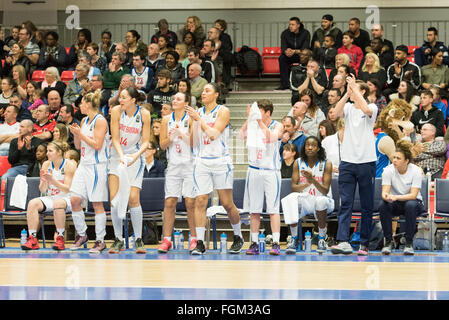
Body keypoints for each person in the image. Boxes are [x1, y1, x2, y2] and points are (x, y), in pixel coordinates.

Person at [186, 83, 244, 255]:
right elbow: (192, 143)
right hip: (202, 161)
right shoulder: (198, 113)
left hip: (220, 161)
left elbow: (213, 134)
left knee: (227, 203)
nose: (203, 93)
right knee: (201, 201)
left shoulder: (223, 111)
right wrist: (192, 125)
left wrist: (198, 120)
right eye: (202, 91)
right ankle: (200, 243)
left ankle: (238, 236)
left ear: (216, 94)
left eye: (207, 91)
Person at [330, 76, 378, 256]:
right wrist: (346, 93)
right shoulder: (348, 108)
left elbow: (365, 108)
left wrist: (355, 90)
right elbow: (334, 113)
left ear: (363, 91)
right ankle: (343, 241)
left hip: (366, 161)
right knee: (346, 203)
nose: (351, 91)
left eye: (356, 89)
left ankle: (364, 244)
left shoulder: (372, 107)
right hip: (348, 162)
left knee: (366, 205)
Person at [108, 86, 151, 254]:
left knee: (133, 198)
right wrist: (120, 156)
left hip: (135, 158)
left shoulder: (144, 114)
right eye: (120, 97)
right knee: (115, 200)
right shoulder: (117, 111)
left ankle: (138, 239)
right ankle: (118, 239)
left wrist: (135, 156)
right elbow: (116, 139)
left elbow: (146, 141)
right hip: (117, 156)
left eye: (124, 97)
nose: (121, 100)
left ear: (133, 100)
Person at [238, 99, 284, 255]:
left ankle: (276, 243)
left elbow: (271, 137)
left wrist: (258, 120)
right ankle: (254, 242)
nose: (256, 115)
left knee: (273, 209)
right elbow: (240, 135)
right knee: (254, 210)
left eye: (259, 112)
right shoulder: (253, 125)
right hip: (254, 170)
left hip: (271, 171)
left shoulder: (278, 125)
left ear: (268, 113)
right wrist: (249, 118)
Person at [68, 90, 110, 253]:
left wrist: (81, 135)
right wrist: (76, 135)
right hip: (84, 164)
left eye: (81, 103)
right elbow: (78, 146)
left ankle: (100, 240)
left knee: (97, 203)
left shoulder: (100, 121)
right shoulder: (84, 120)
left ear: (88, 104)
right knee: (74, 200)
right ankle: (82, 234)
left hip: (97, 165)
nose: (79, 106)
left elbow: (98, 145)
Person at [157, 92, 197, 253]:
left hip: (190, 164)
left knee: (190, 203)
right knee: (169, 203)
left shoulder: (192, 118)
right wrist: (171, 138)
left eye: (178, 99)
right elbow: (162, 145)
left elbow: (194, 142)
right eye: (173, 99)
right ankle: (166, 239)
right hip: (173, 165)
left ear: (186, 103)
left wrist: (181, 133)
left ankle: (194, 238)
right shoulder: (166, 119)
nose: (174, 101)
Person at [281, 136, 334, 254]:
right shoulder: (298, 163)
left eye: (313, 145)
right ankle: (294, 239)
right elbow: (294, 188)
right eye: (307, 145)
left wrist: (312, 180)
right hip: (306, 200)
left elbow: (325, 190)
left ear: (318, 148)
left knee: (320, 200)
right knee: (290, 198)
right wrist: (308, 183)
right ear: (304, 148)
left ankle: (321, 238)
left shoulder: (326, 163)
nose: (310, 148)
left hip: (325, 201)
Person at [21, 141, 76, 251]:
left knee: (58, 203)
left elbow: (67, 188)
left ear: (59, 152)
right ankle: (33, 239)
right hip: (51, 197)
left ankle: (60, 238)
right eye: (47, 151)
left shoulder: (69, 164)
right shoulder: (46, 164)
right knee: (32, 203)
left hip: (68, 199)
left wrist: (53, 180)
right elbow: (42, 189)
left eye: (50, 151)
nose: (47, 153)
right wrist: (45, 181)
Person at [380, 140, 425, 256]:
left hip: (415, 203)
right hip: (396, 202)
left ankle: (409, 243)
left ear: (406, 161)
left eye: (398, 158)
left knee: (410, 205)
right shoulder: (388, 170)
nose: (394, 160)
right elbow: (384, 192)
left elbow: (413, 195)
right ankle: (388, 242)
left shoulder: (416, 171)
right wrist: (386, 196)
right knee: (383, 205)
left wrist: (395, 197)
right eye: (394, 157)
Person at [277, 17, 311, 90]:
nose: (290, 26)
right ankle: (284, 84)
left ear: (298, 25)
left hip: (301, 55)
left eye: (293, 24)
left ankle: (307, 83)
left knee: (307, 56)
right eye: (290, 24)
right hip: (289, 55)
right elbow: (283, 47)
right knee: (282, 58)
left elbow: (305, 48)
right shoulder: (285, 33)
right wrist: (286, 51)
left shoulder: (305, 33)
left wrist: (294, 51)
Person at [214, 19, 234, 89]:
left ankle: (225, 84)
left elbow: (229, 47)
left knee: (225, 72)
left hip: (224, 57)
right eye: (215, 25)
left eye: (218, 25)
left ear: (222, 28)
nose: (216, 27)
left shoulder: (225, 37)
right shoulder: (213, 36)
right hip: (219, 56)